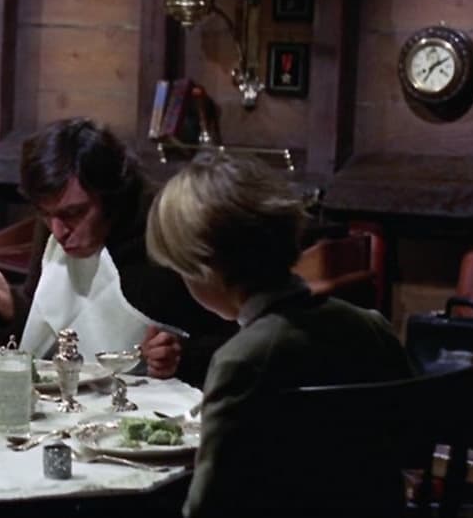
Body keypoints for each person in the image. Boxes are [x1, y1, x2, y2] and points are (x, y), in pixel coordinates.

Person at [146, 151, 412, 518]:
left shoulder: (242, 361)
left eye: (181, 270)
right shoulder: (372, 326)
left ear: (205, 269)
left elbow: (208, 507)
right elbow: (412, 445)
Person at [0, 118, 235, 385]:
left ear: (111, 195)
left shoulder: (167, 225)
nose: (58, 231)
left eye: (74, 213)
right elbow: (48, 328)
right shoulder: (57, 222)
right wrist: (7, 305)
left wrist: (180, 356)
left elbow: (235, 336)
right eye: (45, 214)